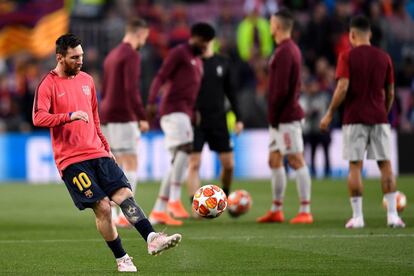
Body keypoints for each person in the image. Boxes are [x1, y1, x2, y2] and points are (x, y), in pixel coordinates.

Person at [32, 33, 181, 272]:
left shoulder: (87, 80)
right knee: (102, 207)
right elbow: (38, 117)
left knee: (124, 194)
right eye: (74, 57)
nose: (80, 61)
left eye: (81, 56)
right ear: (60, 57)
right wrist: (67, 117)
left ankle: (152, 238)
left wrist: (105, 146)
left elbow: (95, 118)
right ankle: (122, 257)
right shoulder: (48, 84)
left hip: (98, 152)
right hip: (72, 160)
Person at [320, 15, 405, 228]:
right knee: (386, 165)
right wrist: (382, 112)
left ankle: (358, 218)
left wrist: (330, 112)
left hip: (354, 118)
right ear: (371, 34)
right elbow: (391, 92)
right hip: (379, 118)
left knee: (355, 167)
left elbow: (343, 87)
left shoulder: (346, 57)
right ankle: (393, 216)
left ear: (352, 34)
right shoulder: (384, 57)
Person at [147, 23, 216, 226]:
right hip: (172, 109)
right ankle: (174, 200)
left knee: (177, 158)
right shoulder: (179, 53)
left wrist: (194, 112)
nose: (205, 47)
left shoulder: (198, 62)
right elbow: (161, 76)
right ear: (194, 37)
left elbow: (191, 92)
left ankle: (160, 210)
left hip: (184, 113)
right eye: (203, 42)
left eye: (208, 44)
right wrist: (151, 101)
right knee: (185, 150)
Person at [256, 8, 313, 224]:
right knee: (274, 160)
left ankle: (305, 210)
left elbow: (280, 90)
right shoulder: (286, 49)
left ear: (278, 26)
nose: (269, 26)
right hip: (280, 118)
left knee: (296, 159)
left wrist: (275, 116)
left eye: (271, 22)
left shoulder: (285, 51)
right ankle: (276, 209)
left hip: (286, 117)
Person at [100, 18, 150, 228]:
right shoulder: (131, 54)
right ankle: (128, 214)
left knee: (115, 165)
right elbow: (131, 89)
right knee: (131, 161)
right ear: (139, 34)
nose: (144, 43)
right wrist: (142, 115)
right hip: (122, 114)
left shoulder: (112, 54)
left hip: (106, 114)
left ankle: (111, 215)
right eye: (145, 38)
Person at [187, 40, 244, 204]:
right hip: (197, 122)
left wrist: (239, 118)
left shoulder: (223, 62)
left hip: (219, 120)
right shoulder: (192, 62)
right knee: (194, 163)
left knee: (229, 165)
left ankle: (224, 196)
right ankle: (195, 204)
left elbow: (231, 92)